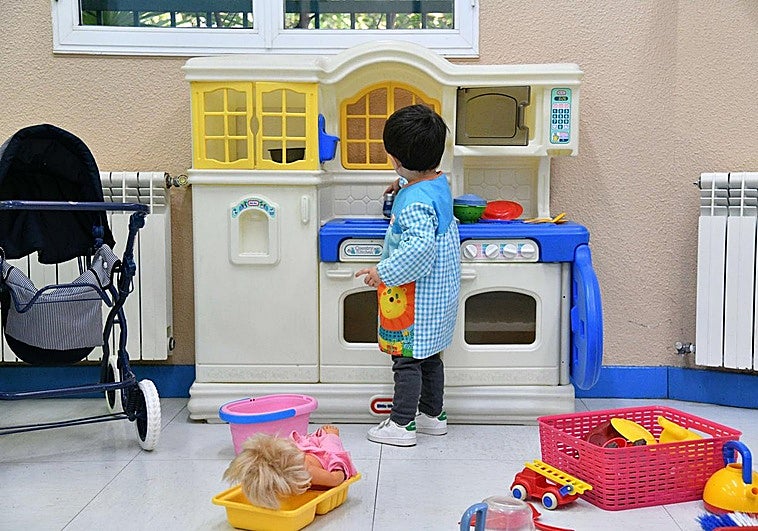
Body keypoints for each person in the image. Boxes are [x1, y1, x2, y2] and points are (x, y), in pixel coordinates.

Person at [355, 104, 461, 447]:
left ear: (396, 158)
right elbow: (419, 182)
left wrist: (381, 272)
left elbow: (418, 250)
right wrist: (403, 181)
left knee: (405, 359)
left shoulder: (414, 203)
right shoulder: (438, 182)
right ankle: (432, 415)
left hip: (416, 299)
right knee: (430, 357)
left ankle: (401, 424)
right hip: (438, 296)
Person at [223, 425, 358, 509]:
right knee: (303, 443)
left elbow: (335, 479)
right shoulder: (272, 476)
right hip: (303, 452)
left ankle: (329, 436)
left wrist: (332, 440)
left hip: (323, 455)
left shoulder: (308, 472)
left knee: (330, 444)